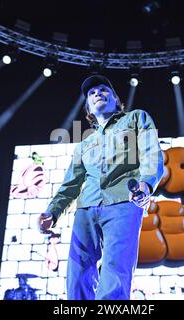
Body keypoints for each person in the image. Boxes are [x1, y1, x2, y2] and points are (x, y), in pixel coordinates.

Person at [38, 75, 164, 300]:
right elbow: (71, 184)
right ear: (88, 107)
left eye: (104, 90)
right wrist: (52, 211)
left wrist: (146, 184)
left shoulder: (136, 118)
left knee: (115, 272)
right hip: (86, 209)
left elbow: (151, 152)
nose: (97, 93)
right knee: (76, 276)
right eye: (92, 93)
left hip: (123, 203)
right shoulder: (85, 144)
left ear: (116, 99)